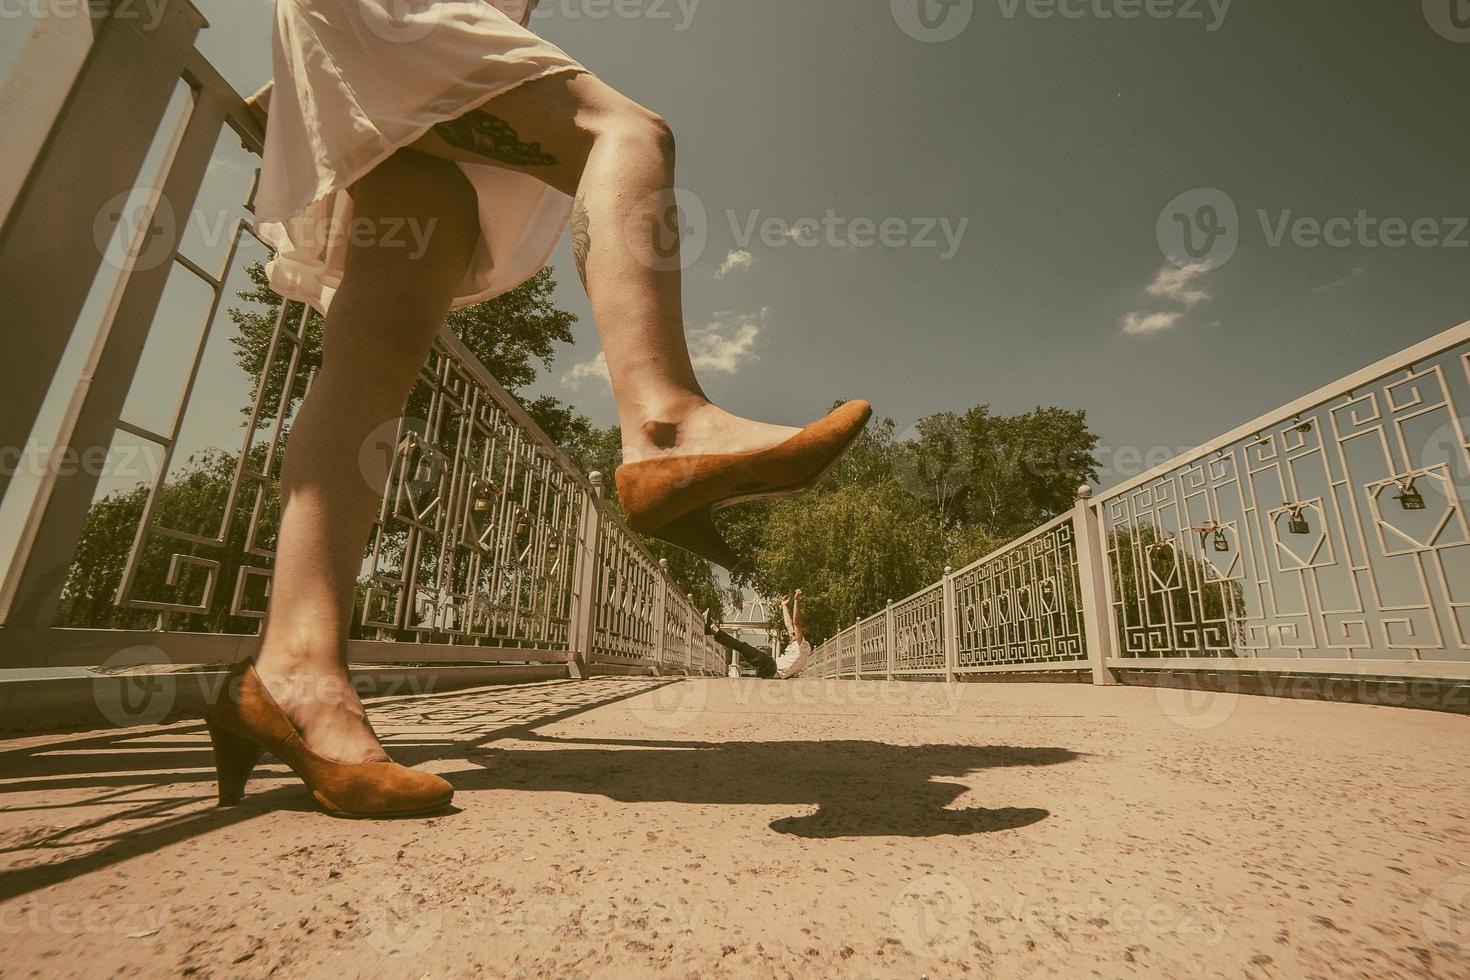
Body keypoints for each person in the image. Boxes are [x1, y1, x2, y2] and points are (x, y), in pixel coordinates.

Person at [205, 0, 871, 816]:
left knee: (375, 356)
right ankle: (663, 427)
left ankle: (291, 671)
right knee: (621, 134)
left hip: (392, 51)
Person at [775, 591, 813, 680]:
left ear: (800, 636)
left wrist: (796, 601)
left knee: (747, 650)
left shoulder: (803, 646)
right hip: (772, 666)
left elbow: (796, 623)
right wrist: (784, 606)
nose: (791, 635)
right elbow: (788, 624)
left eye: (793, 634)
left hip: (776, 672)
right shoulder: (794, 643)